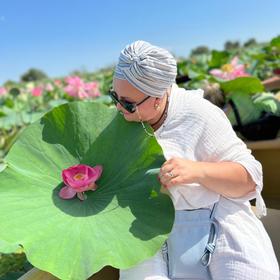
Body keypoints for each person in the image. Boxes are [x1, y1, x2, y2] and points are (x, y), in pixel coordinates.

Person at [111, 40, 279, 280]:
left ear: (158, 97)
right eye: (114, 96)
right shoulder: (118, 124)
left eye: (128, 103)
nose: (118, 108)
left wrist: (196, 171)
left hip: (216, 217)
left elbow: (250, 180)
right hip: (144, 225)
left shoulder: (199, 114)